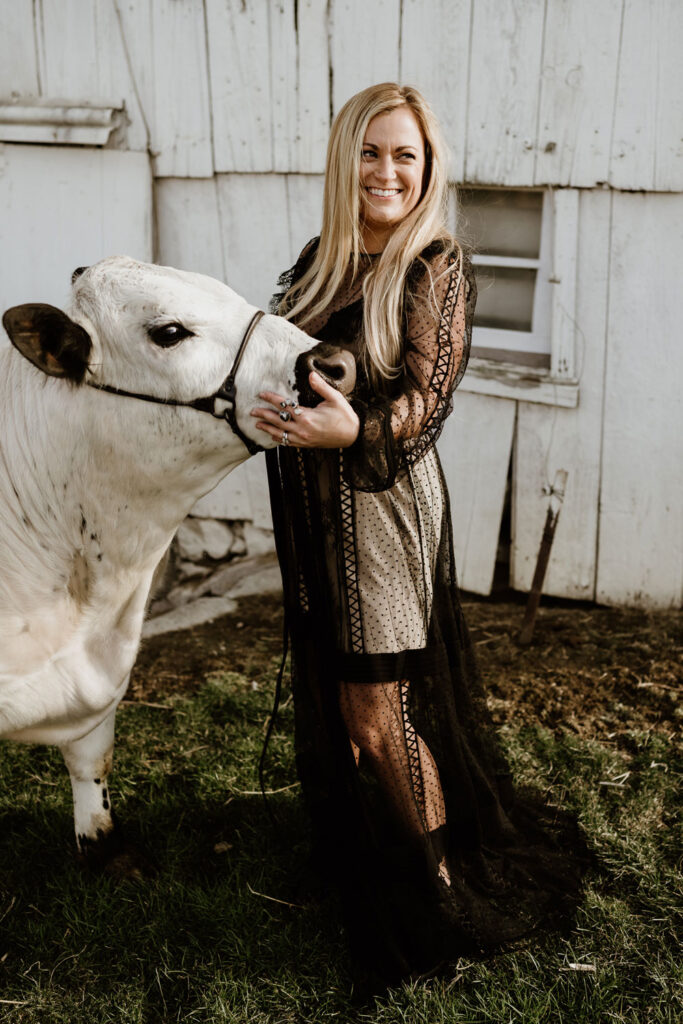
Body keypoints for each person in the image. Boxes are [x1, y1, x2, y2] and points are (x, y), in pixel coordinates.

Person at [251, 82, 590, 985]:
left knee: (378, 712)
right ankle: (377, 851)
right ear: (343, 160)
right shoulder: (317, 260)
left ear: (427, 168)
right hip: (320, 504)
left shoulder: (432, 264)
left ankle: (440, 885)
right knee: (341, 706)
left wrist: (350, 430)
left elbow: (428, 400)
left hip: (382, 501)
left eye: (406, 155)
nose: (387, 171)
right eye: (371, 152)